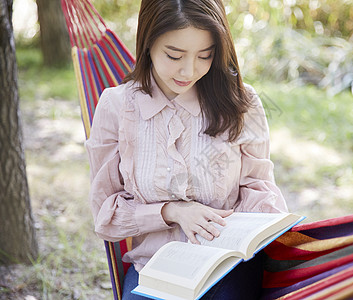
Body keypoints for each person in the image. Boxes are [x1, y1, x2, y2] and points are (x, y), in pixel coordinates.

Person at [85, 0, 288, 299]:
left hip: (229, 266)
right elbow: (106, 216)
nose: (189, 70)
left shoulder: (241, 103)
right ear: (147, 43)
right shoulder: (117, 108)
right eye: (174, 55)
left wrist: (278, 227)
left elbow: (258, 186)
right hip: (154, 269)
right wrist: (171, 212)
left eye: (205, 56)